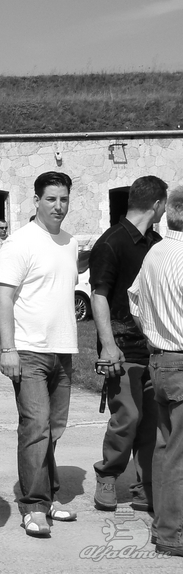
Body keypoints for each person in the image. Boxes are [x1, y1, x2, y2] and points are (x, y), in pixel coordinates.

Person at [0, 171, 79, 537]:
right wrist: (8, 349)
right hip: (29, 352)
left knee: (53, 429)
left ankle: (48, 495)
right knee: (35, 427)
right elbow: (3, 297)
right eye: (51, 199)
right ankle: (34, 506)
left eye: (63, 199)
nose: (58, 206)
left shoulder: (70, 242)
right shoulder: (20, 242)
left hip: (64, 350)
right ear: (36, 200)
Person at [90, 176, 167, 513]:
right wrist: (108, 346)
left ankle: (143, 485)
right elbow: (99, 295)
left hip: (155, 346)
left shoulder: (157, 243)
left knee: (151, 422)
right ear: (157, 205)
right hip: (121, 348)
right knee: (127, 417)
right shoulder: (112, 242)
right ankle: (108, 475)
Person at [128, 186, 183, 559]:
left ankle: (165, 525)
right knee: (177, 453)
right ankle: (172, 533)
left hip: (160, 358)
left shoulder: (155, 252)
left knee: (166, 449)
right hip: (179, 358)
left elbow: (134, 300)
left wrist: (153, 330)